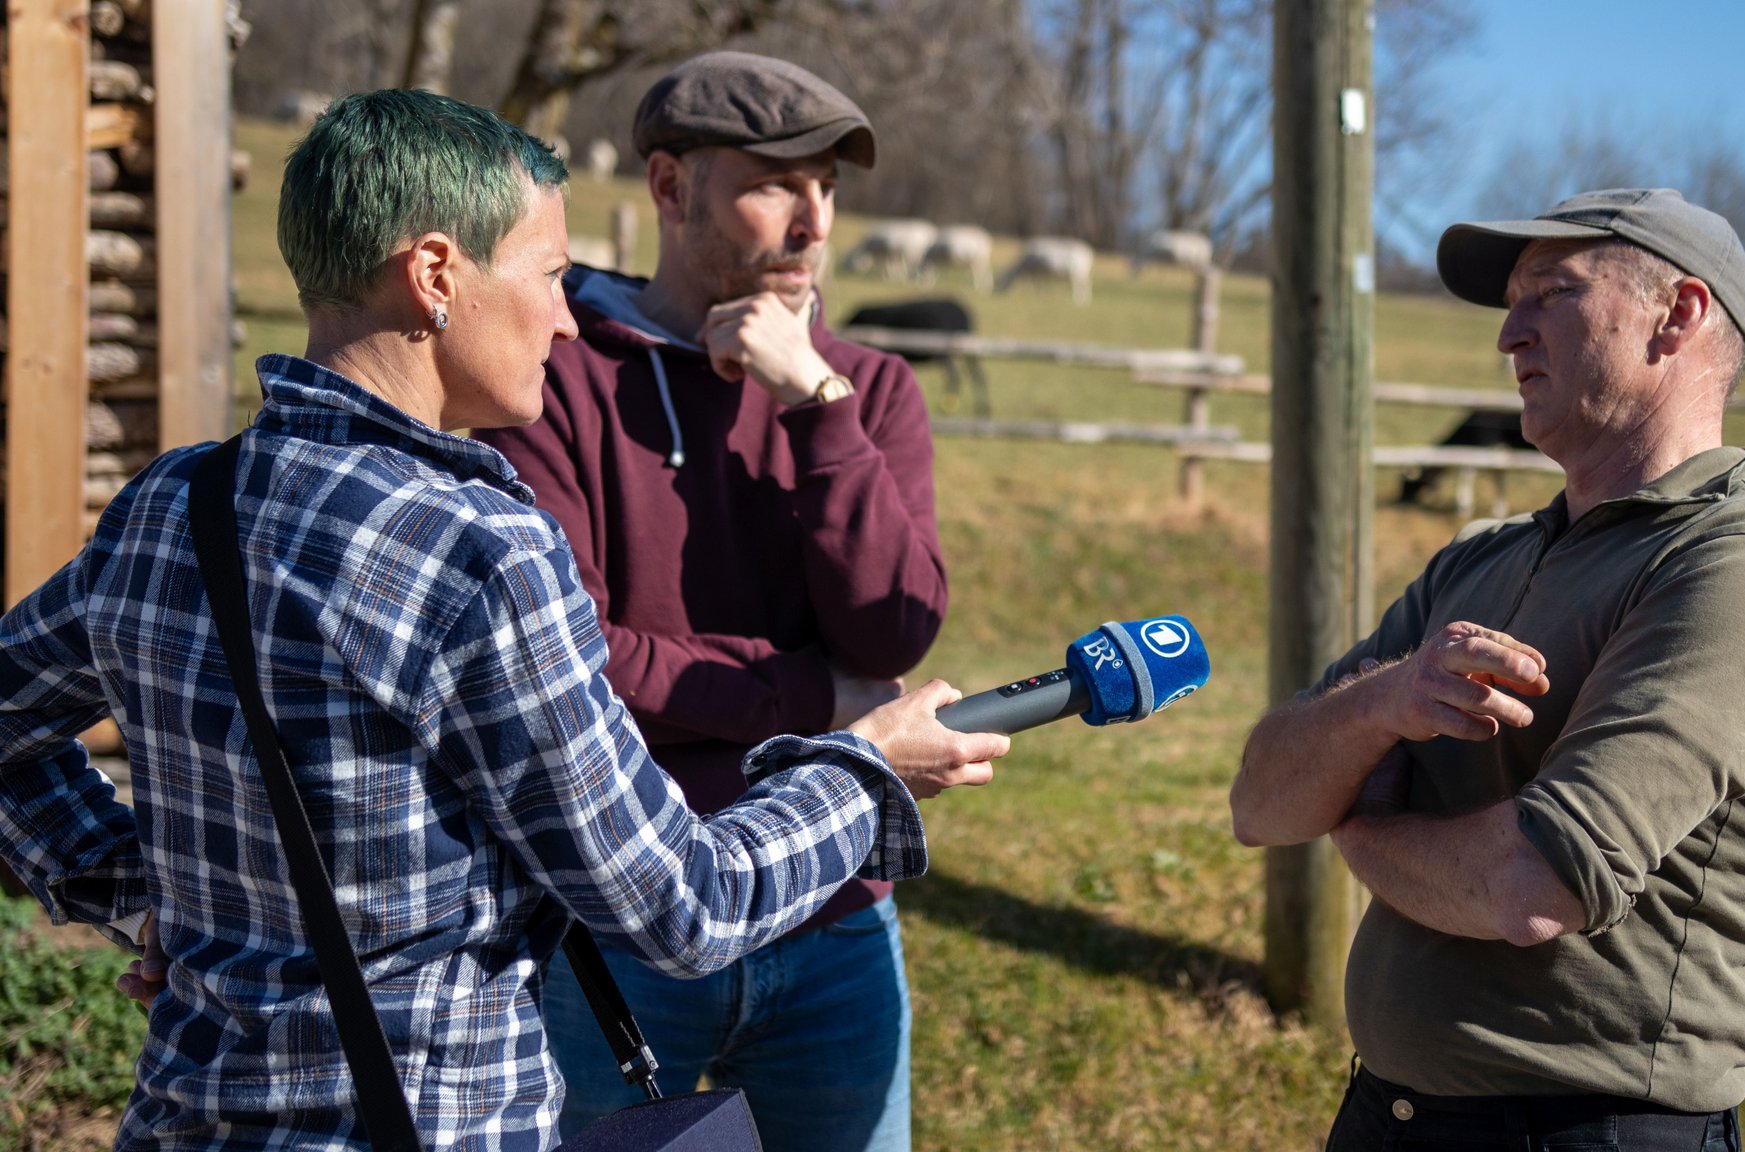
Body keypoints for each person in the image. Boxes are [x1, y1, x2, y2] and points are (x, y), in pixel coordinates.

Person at [0, 88, 1006, 1151]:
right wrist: (866, 767)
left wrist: (146, 899)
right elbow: (680, 905)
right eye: (551, 276)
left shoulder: (173, 504)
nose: (569, 319)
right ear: (436, 275)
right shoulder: (479, 548)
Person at [1231, 189, 1745, 1151]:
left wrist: (1355, 816)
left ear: (1678, 314)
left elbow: (1530, 887)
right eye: (1510, 303)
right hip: (1387, 1114)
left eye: (1551, 294)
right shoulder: (1482, 558)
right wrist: (1383, 705)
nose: (1508, 337)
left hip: (1587, 1129)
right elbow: (1263, 803)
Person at [472, 52, 946, 1152]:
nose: (812, 222)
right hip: (615, 916)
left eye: (827, 186)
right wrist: (822, 700)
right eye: (777, 183)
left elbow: (896, 630)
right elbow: (568, 667)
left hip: (837, 913)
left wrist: (814, 405)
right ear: (671, 187)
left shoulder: (868, 390)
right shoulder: (555, 373)